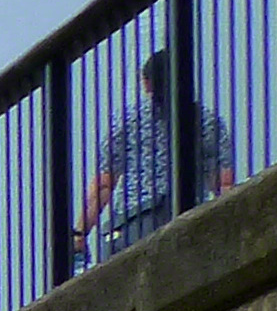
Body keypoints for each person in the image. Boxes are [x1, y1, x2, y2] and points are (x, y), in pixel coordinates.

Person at [76, 48, 234, 269]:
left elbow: (104, 184)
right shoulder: (205, 121)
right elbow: (223, 184)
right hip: (183, 217)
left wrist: (80, 232)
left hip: (129, 224)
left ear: (146, 83)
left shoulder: (127, 120)